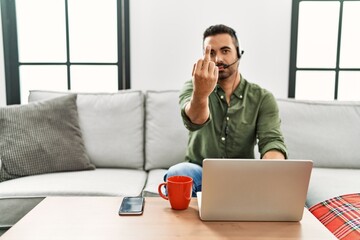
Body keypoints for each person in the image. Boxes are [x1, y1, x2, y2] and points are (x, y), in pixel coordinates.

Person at [165, 24, 287, 196]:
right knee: (178, 173)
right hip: (200, 173)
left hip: (244, 177)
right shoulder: (193, 87)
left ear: (238, 53)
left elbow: (271, 141)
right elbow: (194, 120)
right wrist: (200, 93)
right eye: (211, 53)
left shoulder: (262, 98)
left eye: (225, 51)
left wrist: (271, 168)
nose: (218, 59)